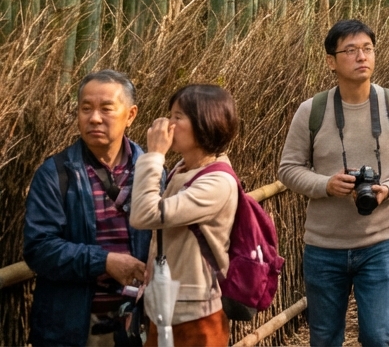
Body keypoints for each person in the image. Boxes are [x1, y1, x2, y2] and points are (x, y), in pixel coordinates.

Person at [278, 20, 389, 347]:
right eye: (351, 50)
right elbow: (288, 169)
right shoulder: (311, 111)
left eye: (367, 49)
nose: (362, 57)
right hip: (323, 246)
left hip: (379, 242)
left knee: (378, 336)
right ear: (331, 61)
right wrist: (325, 184)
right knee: (325, 338)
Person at [24, 70, 153, 347]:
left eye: (106, 109)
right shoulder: (55, 174)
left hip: (139, 323)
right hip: (75, 327)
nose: (94, 117)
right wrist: (104, 261)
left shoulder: (151, 172)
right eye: (86, 108)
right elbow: (39, 248)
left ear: (130, 115)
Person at [130, 85, 242, 347]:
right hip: (169, 304)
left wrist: (155, 155)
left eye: (178, 117)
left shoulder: (217, 182)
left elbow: (145, 215)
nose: (169, 124)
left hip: (196, 313)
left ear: (205, 123)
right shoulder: (183, 170)